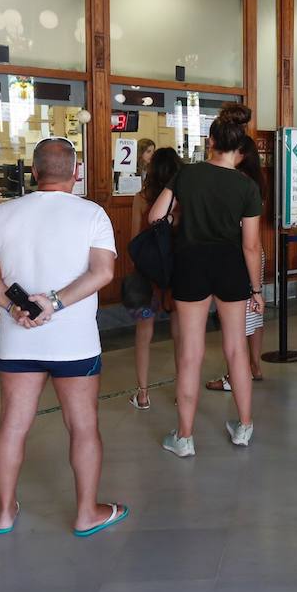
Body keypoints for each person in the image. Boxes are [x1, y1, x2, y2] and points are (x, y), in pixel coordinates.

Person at [0, 138, 127, 538]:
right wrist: (54, 302)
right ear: (76, 172)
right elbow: (103, 272)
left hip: (19, 340)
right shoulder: (92, 214)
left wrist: (14, 305)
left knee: (12, 426)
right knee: (83, 427)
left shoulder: (0, 214)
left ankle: (4, 512)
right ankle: (86, 512)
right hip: (75, 343)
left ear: (33, 173)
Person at [149, 103, 264, 451]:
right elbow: (251, 245)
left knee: (190, 353)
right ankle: (243, 428)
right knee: (236, 351)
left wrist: (180, 219)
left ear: (210, 141)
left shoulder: (186, 175)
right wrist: (256, 288)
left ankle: (184, 437)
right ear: (239, 148)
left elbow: (156, 217)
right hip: (230, 266)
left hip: (191, 265)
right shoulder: (246, 188)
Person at [207, 135, 268, 392]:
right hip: (256, 252)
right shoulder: (256, 182)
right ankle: (253, 366)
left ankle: (236, 376)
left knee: (237, 322)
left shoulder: (236, 182)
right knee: (253, 314)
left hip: (240, 253)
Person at [128, 146, 182, 410]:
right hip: (175, 274)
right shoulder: (182, 199)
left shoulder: (141, 197)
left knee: (143, 334)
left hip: (147, 275)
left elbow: (135, 239)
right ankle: (181, 391)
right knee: (180, 334)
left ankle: (143, 394)